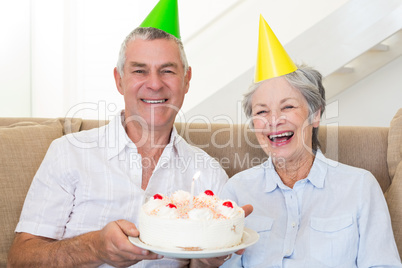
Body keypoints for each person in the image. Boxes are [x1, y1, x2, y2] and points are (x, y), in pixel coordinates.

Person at [7, 1, 250, 267]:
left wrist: (211, 258)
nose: (155, 84)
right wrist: (94, 247)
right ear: (119, 79)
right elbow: (20, 259)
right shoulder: (69, 153)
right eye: (139, 71)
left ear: (187, 79)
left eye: (167, 70)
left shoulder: (209, 174)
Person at [220, 15, 402, 267]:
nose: (273, 121)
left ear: (315, 114)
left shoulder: (359, 187)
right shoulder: (236, 191)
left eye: (287, 107)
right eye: (261, 112)